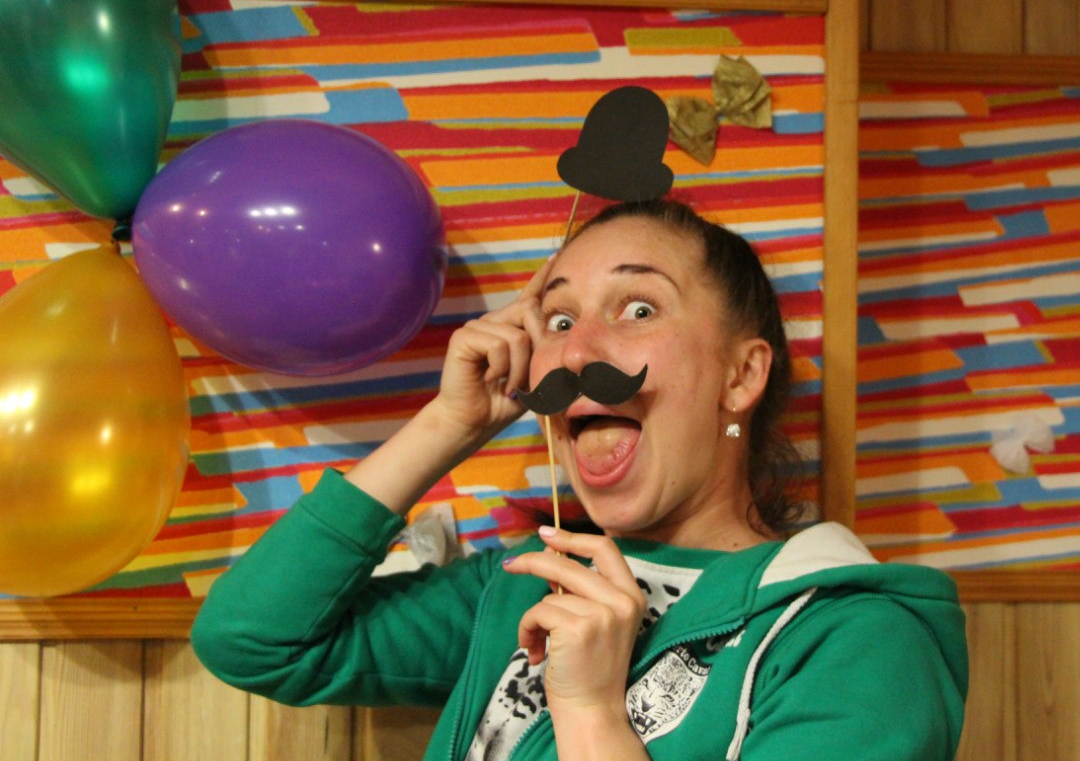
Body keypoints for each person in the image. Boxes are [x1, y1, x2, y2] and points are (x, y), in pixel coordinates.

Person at [191, 198, 968, 761]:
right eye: (559, 322)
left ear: (741, 375)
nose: (575, 352)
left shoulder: (857, 639)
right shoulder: (523, 586)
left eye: (638, 308)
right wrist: (449, 423)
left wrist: (591, 712)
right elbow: (252, 639)